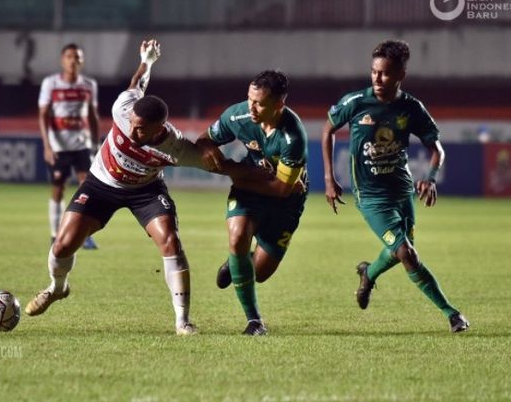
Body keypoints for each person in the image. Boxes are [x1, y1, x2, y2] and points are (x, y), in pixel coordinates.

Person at [25, 39, 220, 336]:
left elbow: (215, 164)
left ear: (159, 129)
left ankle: (182, 321)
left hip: (146, 190)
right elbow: (136, 84)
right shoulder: (123, 109)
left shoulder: (176, 148)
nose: (131, 129)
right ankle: (57, 288)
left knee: (170, 241)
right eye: (131, 122)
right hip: (102, 183)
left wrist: (256, 171)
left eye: (140, 128)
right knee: (63, 244)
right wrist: (147, 61)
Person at [321, 40, 469, 333]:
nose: (377, 78)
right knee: (407, 253)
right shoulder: (355, 103)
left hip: (402, 190)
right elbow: (327, 129)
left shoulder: (411, 108)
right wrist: (329, 178)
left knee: (399, 250)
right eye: (374, 72)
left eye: (385, 73)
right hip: (370, 196)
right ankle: (451, 313)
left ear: (401, 74)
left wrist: (431, 175)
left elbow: (437, 148)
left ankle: (368, 273)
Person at [196, 70, 308, 336]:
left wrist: (234, 173)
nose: (252, 108)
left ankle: (237, 261)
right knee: (237, 237)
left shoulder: (293, 137)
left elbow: (281, 189)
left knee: (259, 273)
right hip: (251, 189)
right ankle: (254, 321)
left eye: (260, 103)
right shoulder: (238, 115)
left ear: (280, 103)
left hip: (285, 200)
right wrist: (208, 148)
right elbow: (205, 139)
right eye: (249, 99)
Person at [38, 43, 100, 250]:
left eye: (77, 57)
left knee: (89, 189)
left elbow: (92, 116)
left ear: (82, 61)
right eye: (69, 57)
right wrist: (47, 146)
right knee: (58, 190)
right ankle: (56, 234)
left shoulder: (89, 85)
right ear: (62, 60)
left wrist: (95, 144)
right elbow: (43, 115)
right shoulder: (51, 84)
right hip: (58, 147)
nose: (73, 61)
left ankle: (85, 235)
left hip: (81, 146)